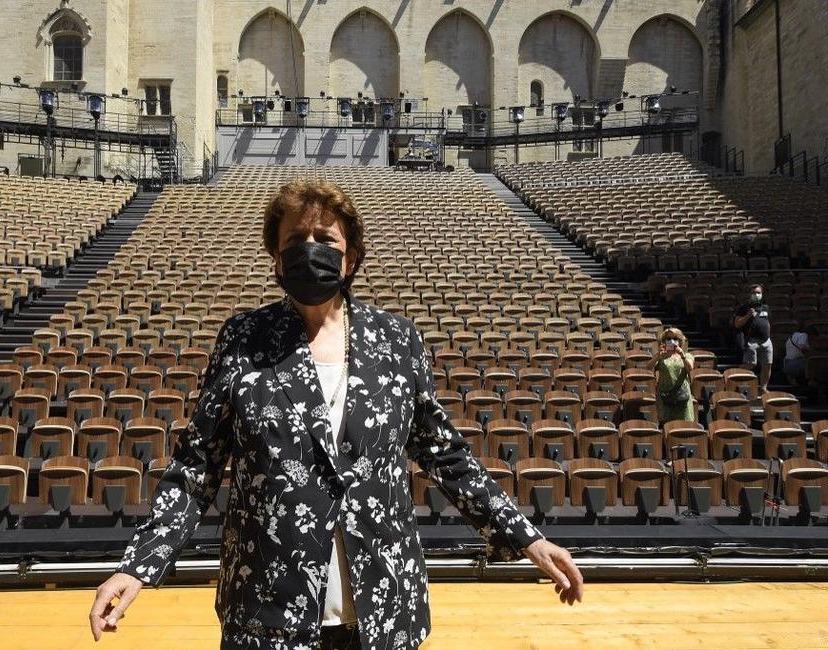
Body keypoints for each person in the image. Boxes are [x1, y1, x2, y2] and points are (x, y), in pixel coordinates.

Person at [89, 179, 584, 648]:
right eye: (295, 239)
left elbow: (445, 455)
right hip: (269, 607)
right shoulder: (243, 339)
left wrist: (526, 538)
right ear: (277, 260)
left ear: (350, 258)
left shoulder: (397, 341)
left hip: (383, 608)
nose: (310, 248)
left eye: (324, 237)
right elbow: (198, 465)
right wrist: (138, 565)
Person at [648, 327, 696, 424]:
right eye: (668, 339)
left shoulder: (687, 356)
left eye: (675, 339)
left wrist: (682, 354)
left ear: (680, 341)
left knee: (684, 426)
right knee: (667, 426)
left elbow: (690, 368)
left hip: (682, 396)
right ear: (664, 341)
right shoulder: (661, 356)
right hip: (665, 396)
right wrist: (658, 356)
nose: (671, 341)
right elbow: (648, 367)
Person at [733, 284, 772, 393]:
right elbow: (737, 324)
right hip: (752, 340)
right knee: (751, 364)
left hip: (766, 341)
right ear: (749, 294)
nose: (756, 295)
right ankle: (734, 376)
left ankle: (763, 388)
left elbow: (768, 322)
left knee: (767, 364)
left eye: (758, 292)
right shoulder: (744, 307)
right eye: (754, 292)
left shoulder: (766, 307)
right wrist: (748, 315)